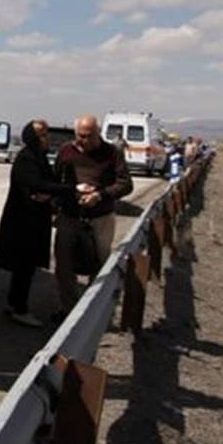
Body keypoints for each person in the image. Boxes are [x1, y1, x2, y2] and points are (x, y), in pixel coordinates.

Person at [0, 120, 74, 327]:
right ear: (33, 138)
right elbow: (36, 184)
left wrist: (50, 193)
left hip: (32, 221)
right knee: (24, 267)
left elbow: (47, 184)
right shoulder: (27, 158)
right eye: (43, 135)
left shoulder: (38, 157)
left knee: (25, 268)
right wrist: (69, 190)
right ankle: (19, 309)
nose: (47, 139)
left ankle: (14, 303)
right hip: (23, 223)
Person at [53, 114, 133, 313]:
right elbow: (55, 181)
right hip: (70, 215)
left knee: (99, 263)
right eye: (81, 136)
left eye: (90, 136)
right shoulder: (66, 151)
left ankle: (91, 311)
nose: (85, 140)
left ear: (98, 133)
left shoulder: (112, 153)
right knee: (63, 264)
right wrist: (66, 197)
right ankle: (68, 310)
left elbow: (125, 184)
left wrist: (100, 195)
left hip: (100, 217)